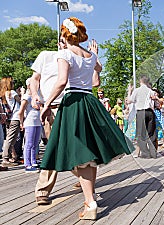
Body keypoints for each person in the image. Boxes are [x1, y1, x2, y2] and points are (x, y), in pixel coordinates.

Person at [39, 17, 133, 220]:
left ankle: (90, 202)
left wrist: (46, 104)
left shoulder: (64, 53)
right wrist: (95, 59)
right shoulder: (90, 55)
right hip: (90, 103)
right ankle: (90, 199)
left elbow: (62, 81)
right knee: (88, 156)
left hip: (73, 103)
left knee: (80, 155)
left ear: (65, 35)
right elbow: (96, 82)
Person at [130, 76, 157, 158]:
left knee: (140, 134)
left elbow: (131, 100)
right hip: (150, 112)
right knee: (151, 133)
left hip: (141, 112)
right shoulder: (150, 91)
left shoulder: (137, 90)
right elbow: (155, 98)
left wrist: (129, 91)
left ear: (140, 81)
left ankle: (145, 153)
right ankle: (153, 153)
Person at [18, 78, 41, 173]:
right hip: (30, 122)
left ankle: (33, 161)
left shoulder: (37, 96)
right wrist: (21, 122)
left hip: (38, 122)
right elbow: (21, 111)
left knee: (36, 143)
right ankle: (27, 164)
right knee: (29, 144)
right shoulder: (26, 97)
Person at [1, 77, 21, 167]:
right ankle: (5, 158)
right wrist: (22, 93)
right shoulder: (12, 93)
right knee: (11, 139)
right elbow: (21, 101)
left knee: (10, 138)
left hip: (8, 118)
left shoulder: (3, 94)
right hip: (15, 118)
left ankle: (9, 157)